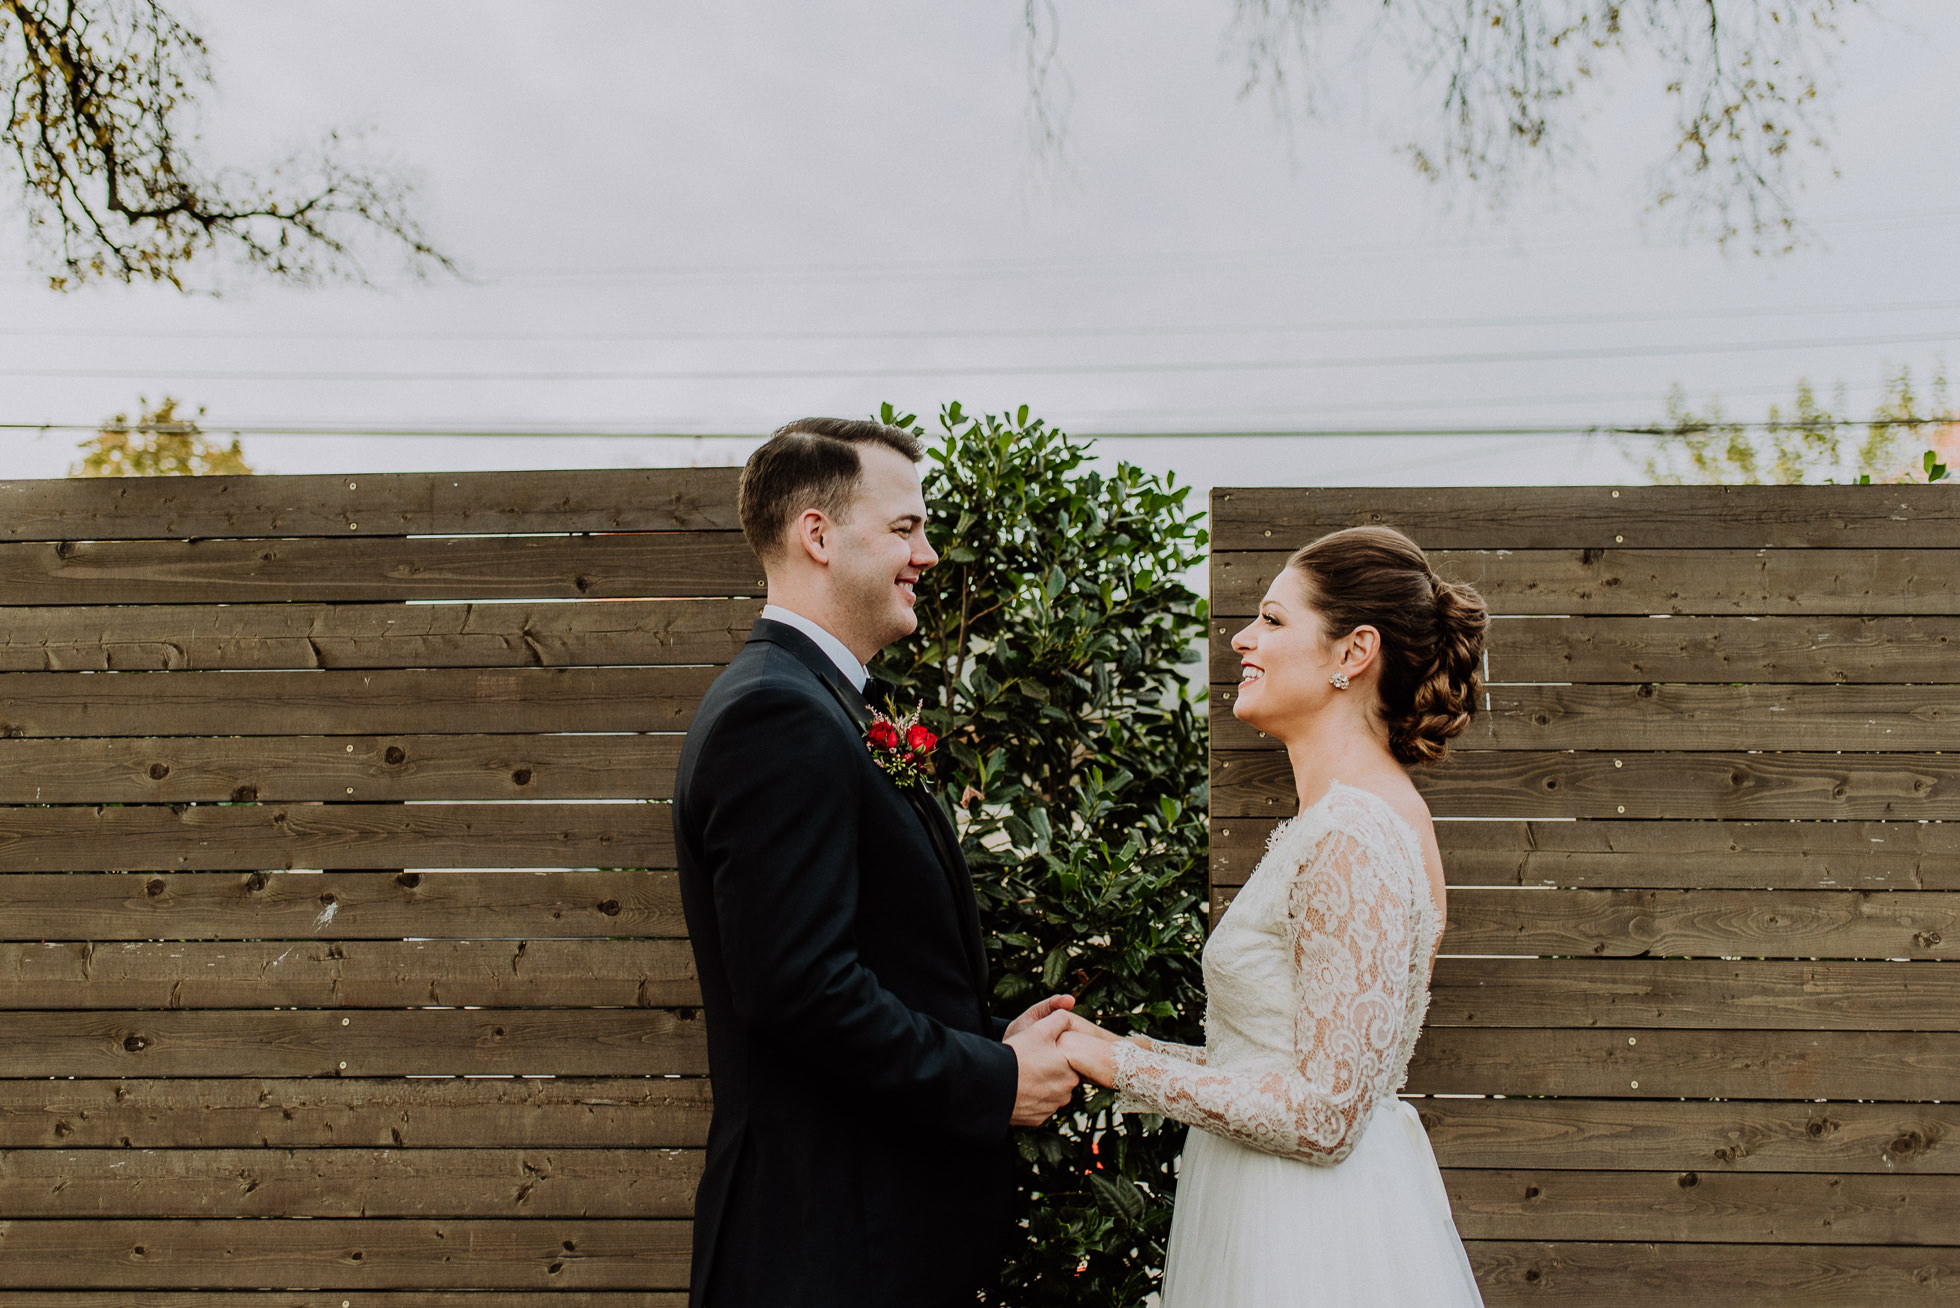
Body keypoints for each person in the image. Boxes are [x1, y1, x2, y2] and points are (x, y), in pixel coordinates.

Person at [673, 417, 1081, 1308]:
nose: (927, 555)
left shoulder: (824, 707)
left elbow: (867, 958)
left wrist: (988, 1041)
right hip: (825, 1248)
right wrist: (996, 1080)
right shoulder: (776, 717)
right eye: (906, 529)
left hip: (863, 1236)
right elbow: (800, 991)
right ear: (816, 535)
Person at [1060, 525, 1488, 1307]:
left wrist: (1123, 1069)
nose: (1241, 638)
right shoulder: (1350, 820)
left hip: (1310, 1238)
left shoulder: (1353, 836)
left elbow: (1324, 1115)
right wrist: (1115, 1046)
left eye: (1273, 619)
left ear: (1352, 654)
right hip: (1282, 1206)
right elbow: (1277, 1065)